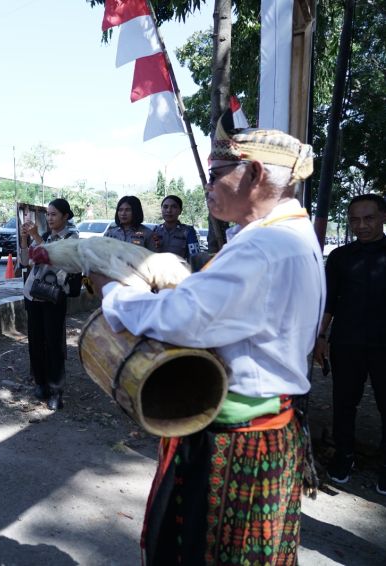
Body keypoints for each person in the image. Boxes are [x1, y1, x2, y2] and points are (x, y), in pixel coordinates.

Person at [91, 117, 323, 565]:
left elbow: (183, 317)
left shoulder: (265, 247)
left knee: (207, 554)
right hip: (265, 424)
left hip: (237, 440)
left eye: (216, 174)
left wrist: (114, 293)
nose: (208, 185)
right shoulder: (291, 236)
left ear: (254, 174)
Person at [314, 193, 386, 493]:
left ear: (382, 217)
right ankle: (344, 456)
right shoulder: (342, 257)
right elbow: (329, 301)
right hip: (347, 341)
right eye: (355, 219)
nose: (362, 225)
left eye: (368, 218)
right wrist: (320, 336)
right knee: (344, 403)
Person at [20, 198, 80, 411]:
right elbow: (25, 262)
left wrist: (36, 237)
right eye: (48, 214)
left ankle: (56, 390)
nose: (50, 218)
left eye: (54, 214)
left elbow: (56, 261)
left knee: (54, 344)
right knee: (35, 341)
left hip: (54, 297)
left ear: (65, 216)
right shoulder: (44, 236)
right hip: (33, 295)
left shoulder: (72, 238)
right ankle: (40, 383)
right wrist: (25, 240)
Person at [151, 195, 200, 260]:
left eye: (174, 207)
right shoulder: (155, 231)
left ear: (180, 211)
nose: (169, 210)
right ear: (161, 209)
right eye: (165, 207)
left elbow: (195, 258)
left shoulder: (188, 232)